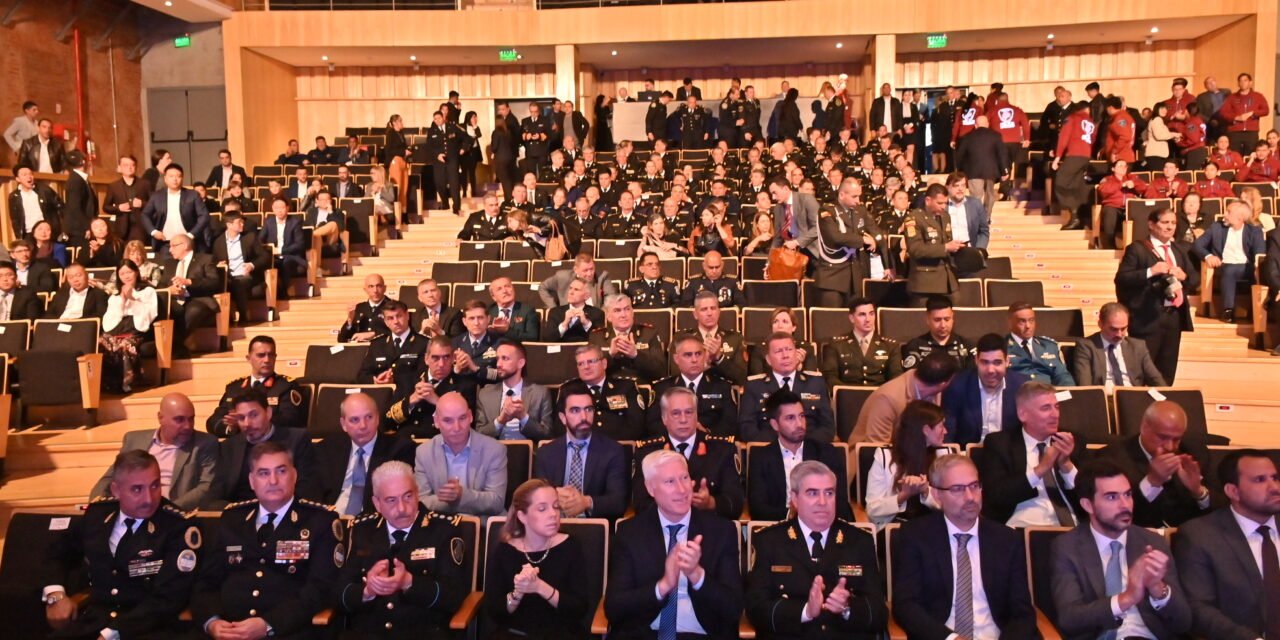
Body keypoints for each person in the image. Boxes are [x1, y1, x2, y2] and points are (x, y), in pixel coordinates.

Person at [43, 450, 201, 640]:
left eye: (155, 486)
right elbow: (57, 553)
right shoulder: (98, 515)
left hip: (149, 627)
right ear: (116, 490)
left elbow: (169, 598)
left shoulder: (178, 526)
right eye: (137, 489)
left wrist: (112, 634)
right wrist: (55, 596)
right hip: (95, 620)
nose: (149, 498)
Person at [190, 441, 340, 640]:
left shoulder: (320, 521)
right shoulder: (231, 520)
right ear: (252, 481)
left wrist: (269, 624)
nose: (273, 480)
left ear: (294, 475)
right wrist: (212, 621)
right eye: (263, 473)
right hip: (229, 632)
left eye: (281, 471)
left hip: (288, 631)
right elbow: (206, 583)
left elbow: (320, 589)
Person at [892, 454, 1038, 639]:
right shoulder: (916, 536)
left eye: (974, 486)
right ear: (937, 495)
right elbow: (906, 606)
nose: (970, 497)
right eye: (958, 489)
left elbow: (1022, 613)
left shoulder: (1007, 540)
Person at [605, 448, 743, 639]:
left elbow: (733, 609)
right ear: (650, 488)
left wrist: (697, 575)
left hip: (702, 633)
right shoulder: (630, 533)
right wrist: (663, 586)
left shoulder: (721, 532)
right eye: (670, 482)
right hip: (647, 633)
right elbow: (614, 608)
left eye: (684, 478)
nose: (681, 489)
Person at [1050, 460, 1193, 640]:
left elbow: (1183, 623)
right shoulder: (1067, 547)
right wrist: (1127, 598)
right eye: (1112, 497)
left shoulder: (1152, 542)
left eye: (1128, 495)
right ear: (1088, 505)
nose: (1125, 505)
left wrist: (1158, 588)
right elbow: (1069, 619)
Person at [746, 460, 885, 640]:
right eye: (812, 493)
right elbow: (755, 608)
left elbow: (879, 614)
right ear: (794, 499)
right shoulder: (770, 541)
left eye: (829, 493)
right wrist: (805, 612)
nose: (822, 502)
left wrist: (847, 609)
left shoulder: (860, 541)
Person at [336, 460, 468, 640]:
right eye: (391, 500)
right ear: (377, 503)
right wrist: (367, 591)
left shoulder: (444, 530)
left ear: (417, 493)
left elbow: (454, 597)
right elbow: (339, 594)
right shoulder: (362, 530)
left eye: (408, 496)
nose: (402, 508)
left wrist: (410, 583)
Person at [1171, 449, 1280, 640]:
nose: (1274, 487)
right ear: (1233, 491)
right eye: (1260, 480)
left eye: (1275, 478)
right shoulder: (1200, 535)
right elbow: (1198, 608)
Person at [484, 479, 592, 640]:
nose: (553, 514)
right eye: (542, 509)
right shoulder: (505, 550)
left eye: (556, 506)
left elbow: (578, 609)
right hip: (514, 634)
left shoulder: (571, 546)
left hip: (561, 634)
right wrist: (518, 593)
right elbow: (495, 612)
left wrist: (540, 587)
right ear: (522, 516)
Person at [1099, 400, 1220, 528]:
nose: (1169, 446)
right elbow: (1110, 513)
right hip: (1138, 536)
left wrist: (1198, 491)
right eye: (1163, 437)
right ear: (1144, 428)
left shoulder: (1195, 453)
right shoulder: (1112, 457)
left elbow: (1223, 509)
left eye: (1176, 439)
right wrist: (1152, 482)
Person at [980, 381, 1084, 528]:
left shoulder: (1071, 441)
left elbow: (1090, 497)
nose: (1055, 415)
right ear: (1023, 414)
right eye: (1045, 408)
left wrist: (1066, 465)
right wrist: (1041, 468)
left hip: (1073, 529)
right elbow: (996, 496)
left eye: (1056, 407)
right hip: (1022, 527)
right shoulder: (1000, 444)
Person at [89, 393, 220, 510]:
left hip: (174, 513)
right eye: (179, 419)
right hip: (135, 509)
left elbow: (206, 487)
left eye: (191, 419)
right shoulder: (133, 440)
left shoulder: (205, 443)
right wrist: (97, 505)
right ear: (161, 418)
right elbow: (110, 477)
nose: (188, 426)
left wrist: (168, 510)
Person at [1115, 208, 1198, 384]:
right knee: (1141, 371)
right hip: (1147, 317)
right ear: (1152, 225)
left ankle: (1163, 406)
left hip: (1174, 316)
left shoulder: (1179, 249)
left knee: (1167, 372)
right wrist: (1150, 271)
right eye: (1165, 222)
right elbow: (1122, 278)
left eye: (1173, 223)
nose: (1170, 227)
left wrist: (1184, 276)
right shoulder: (1137, 249)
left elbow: (1195, 279)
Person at [633, 387, 743, 520]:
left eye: (689, 412)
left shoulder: (722, 449)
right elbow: (640, 505)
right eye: (676, 413)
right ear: (664, 418)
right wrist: (674, 505)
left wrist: (710, 503)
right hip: (664, 530)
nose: (683, 419)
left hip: (709, 527)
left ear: (696, 415)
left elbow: (735, 504)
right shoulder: (647, 452)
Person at [746, 390, 850, 522]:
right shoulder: (761, 458)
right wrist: (792, 514)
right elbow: (758, 509)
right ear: (775, 424)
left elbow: (840, 503)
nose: (799, 424)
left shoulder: (827, 453)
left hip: (822, 526)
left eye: (801, 416)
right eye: (790, 418)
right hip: (779, 528)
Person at [532, 381, 630, 520]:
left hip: (594, 527)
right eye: (575, 410)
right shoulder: (546, 453)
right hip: (554, 524)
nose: (584, 417)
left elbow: (618, 502)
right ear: (563, 418)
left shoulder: (613, 451)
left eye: (588, 409)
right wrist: (552, 494)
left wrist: (586, 502)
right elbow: (536, 497)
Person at [309, 392, 415, 516]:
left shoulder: (399, 450)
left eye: (369, 417)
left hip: (375, 523)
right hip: (331, 520)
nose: (363, 426)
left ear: (377, 418)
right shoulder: (326, 449)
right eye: (355, 420)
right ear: (344, 424)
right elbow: (312, 494)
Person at [208, 389, 317, 508]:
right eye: (241, 418)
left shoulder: (297, 440)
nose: (247, 423)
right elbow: (213, 497)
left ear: (268, 413)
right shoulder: (229, 447)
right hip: (239, 515)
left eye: (253, 415)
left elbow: (307, 492)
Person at [412, 391, 508, 516]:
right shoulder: (424, 452)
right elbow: (420, 501)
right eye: (448, 420)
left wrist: (462, 495)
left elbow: (496, 502)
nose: (456, 428)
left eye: (462, 418)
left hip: (483, 524)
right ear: (436, 421)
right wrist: (453, 499)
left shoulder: (494, 449)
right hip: (441, 526)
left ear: (470, 416)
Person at [863, 400, 947, 530]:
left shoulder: (945, 456)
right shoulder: (885, 456)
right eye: (941, 426)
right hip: (897, 528)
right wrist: (904, 495)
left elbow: (954, 504)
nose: (945, 431)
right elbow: (872, 510)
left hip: (936, 527)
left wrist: (926, 491)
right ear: (926, 430)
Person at [739, 332, 834, 443]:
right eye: (778, 351)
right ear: (768, 359)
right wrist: (782, 445)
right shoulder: (754, 386)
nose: (785, 355)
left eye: (789, 349)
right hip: (769, 452)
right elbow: (746, 429)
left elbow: (828, 428)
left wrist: (800, 446)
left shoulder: (816, 384)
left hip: (809, 452)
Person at [206, 335, 308, 437]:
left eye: (271, 355)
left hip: (273, 444)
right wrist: (231, 428)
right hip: (240, 446)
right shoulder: (234, 388)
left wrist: (244, 423)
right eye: (261, 355)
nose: (267, 360)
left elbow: (290, 420)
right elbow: (213, 421)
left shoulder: (285, 386)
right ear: (249, 358)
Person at [850, 350, 958, 444]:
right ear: (943, 384)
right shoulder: (887, 398)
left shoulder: (935, 391)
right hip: (874, 460)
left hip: (914, 456)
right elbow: (877, 447)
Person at [942, 333, 1029, 447]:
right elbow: (948, 433)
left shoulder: (1022, 386)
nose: (990, 370)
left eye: (997, 362)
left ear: (1007, 361)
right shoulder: (957, 387)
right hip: (968, 457)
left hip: (1009, 456)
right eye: (985, 362)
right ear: (976, 360)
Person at [811, 178, 886, 307]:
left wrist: (876, 241)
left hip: (856, 277)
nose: (858, 200)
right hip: (833, 277)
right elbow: (836, 237)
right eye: (854, 196)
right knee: (833, 322)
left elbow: (876, 232)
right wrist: (863, 239)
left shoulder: (860, 211)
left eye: (859, 196)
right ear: (841, 195)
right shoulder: (827, 211)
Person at [647, 334, 738, 438]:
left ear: (704, 355)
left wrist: (705, 433)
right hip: (672, 446)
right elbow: (653, 425)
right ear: (676, 359)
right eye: (688, 355)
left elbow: (730, 424)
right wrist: (679, 434)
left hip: (712, 445)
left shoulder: (722, 387)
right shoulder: (662, 388)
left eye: (698, 354)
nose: (694, 360)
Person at [386, 337, 478, 438]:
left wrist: (438, 402)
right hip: (407, 445)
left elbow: (466, 428)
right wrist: (411, 400)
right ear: (426, 359)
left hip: (441, 446)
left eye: (446, 357)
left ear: (453, 359)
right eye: (435, 358)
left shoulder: (465, 385)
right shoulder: (408, 380)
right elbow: (386, 422)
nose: (441, 364)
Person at [1194, 199, 1265, 322]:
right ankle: (1228, 310)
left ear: (1240, 218)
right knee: (1230, 271)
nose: (1224, 215)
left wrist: (1257, 268)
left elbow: (1260, 253)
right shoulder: (1216, 227)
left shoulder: (1254, 231)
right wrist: (1208, 256)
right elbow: (1197, 245)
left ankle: (1255, 310)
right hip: (1224, 266)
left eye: (1228, 212)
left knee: (1259, 271)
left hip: (1248, 267)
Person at [474, 339, 554, 441]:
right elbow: (478, 435)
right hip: (494, 453)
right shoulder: (485, 394)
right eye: (498, 359)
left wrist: (523, 417)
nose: (498, 364)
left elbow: (547, 435)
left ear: (520, 363)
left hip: (529, 454)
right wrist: (500, 421)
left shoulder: (540, 393)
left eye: (505, 358)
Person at [1073, 301, 1167, 387]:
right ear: (1100, 324)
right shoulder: (1086, 346)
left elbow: (1156, 380)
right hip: (1103, 398)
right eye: (1113, 329)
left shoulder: (1138, 346)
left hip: (1133, 397)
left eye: (1123, 329)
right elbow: (1085, 386)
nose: (1119, 334)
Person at [157, 232, 220, 354]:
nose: (170, 250)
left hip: (197, 299)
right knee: (163, 308)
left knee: (193, 310)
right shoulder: (169, 263)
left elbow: (213, 283)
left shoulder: (205, 259)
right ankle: (173, 346)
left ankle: (173, 344)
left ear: (184, 245)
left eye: (173, 246)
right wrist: (169, 290)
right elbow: (161, 285)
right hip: (175, 300)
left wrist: (189, 282)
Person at [904, 184, 966, 305]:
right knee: (921, 320)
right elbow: (915, 249)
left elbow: (946, 240)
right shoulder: (914, 218)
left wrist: (956, 247)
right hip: (925, 280)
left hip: (947, 278)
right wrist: (945, 248)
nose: (944, 206)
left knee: (957, 311)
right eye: (940, 203)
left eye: (945, 203)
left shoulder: (945, 217)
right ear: (928, 200)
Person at [821, 297, 903, 387]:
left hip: (880, 396)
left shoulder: (890, 346)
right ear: (852, 318)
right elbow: (830, 376)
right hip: (848, 397)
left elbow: (896, 376)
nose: (868, 319)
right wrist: (845, 394)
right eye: (862, 315)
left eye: (871, 314)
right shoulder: (837, 345)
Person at [356, 300, 427, 399]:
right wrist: (376, 380)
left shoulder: (423, 343)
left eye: (399, 316)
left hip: (409, 398)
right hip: (379, 398)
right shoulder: (377, 344)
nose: (396, 321)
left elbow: (425, 376)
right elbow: (362, 375)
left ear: (407, 316)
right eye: (390, 318)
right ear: (385, 321)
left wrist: (393, 380)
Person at [588, 293, 666, 383]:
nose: (623, 315)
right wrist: (610, 355)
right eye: (617, 311)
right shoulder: (596, 337)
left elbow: (661, 371)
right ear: (608, 316)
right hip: (609, 389)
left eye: (627, 309)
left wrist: (636, 355)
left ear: (632, 312)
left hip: (640, 389)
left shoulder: (649, 333)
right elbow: (591, 372)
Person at [674, 291, 748, 385]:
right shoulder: (681, 339)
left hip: (722, 394)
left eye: (713, 308)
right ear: (695, 314)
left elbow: (741, 377)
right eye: (704, 309)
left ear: (719, 312)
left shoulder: (736, 338)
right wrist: (704, 364)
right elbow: (675, 374)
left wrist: (719, 357)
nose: (709, 313)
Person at [212, 211, 269, 325]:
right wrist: (219, 264)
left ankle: (243, 316)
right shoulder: (218, 242)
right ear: (229, 225)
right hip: (228, 277)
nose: (242, 225)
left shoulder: (250, 237)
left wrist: (251, 265)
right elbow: (213, 262)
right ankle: (223, 319)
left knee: (239, 282)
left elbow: (265, 257)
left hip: (245, 275)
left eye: (242, 222)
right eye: (239, 223)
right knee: (217, 284)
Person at [1005, 302, 1075, 386]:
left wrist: (1065, 396)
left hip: (1049, 396)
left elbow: (1063, 376)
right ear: (1010, 323)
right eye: (1022, 321)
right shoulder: (1002, 348)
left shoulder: (1049, 346)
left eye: (1031, 320)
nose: (1028, 326)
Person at [954, 115, 1008, 219]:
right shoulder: (996, 135)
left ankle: (977, 219)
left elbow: (959, 155)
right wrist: (1004, 171)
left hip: (973, 171)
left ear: (975, 125)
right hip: (991, 171)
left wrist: (959, 171)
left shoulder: (967, 137)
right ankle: (986, 218)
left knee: (975, 197)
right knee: (990, 195)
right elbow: (1002, 154)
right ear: (987, 124)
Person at [1055, 101, 1099, 230]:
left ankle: (1074, 211)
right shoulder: (1091, 122)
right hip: (1086, 155)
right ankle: (1079, 218)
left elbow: (1064, 137)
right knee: (1075, 184)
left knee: (1060, 181)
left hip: (1074, 154)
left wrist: (1058, 157)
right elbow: (1093, 139)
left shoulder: (1072, 118)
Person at [901, 297, 975, 370]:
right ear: (927, 319)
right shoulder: (915, 346)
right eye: (937, 320)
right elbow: (911, 377)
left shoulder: (967, 345)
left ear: (953, 317)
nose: (943, 325)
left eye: (947, 319)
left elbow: (973, 376)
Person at [261, 196, 307, 298]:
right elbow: (260, 240)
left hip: (292, 255)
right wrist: (269, 249)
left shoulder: (295, 222)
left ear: (287, 208)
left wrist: (281, 250)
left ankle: (284, 291)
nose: (280, 210)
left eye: (282, 207)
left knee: (286, 261)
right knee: (267, 262)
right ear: (273, 209)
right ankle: (272, 292)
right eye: (276, 208)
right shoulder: (269, 222)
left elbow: (300, 244)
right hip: (274, 256)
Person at [538, 253, 619, 308]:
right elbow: (543, 287)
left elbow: (611, 298)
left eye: (592, 269)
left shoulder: (603, 277)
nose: (589, 273)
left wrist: (601, 314)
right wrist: (554, 308)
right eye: (585, 270)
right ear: (576, 270)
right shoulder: (562, 277)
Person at [103, 155, 154, 243]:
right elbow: (106, 207)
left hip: (140, 227)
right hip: (122, 228)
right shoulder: (113, 186)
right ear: (119, 168)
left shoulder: (145, 184)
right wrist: (119, 208)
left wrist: (142, 204)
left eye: (132, 165)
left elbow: (154, 204)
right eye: (126, 165)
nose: (130, 168)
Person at [1218, 72, 1270, 155]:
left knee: (1251, 154)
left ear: (1250, 82)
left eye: (1245, 80)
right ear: (1238, 83)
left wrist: (1253, 113)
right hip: (1235, 131)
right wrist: (1236, 117)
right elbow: (1223, 112)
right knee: (1235, 155)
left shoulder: (1258, 96)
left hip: (1251, 131)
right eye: (1240, 81)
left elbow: (1266, 110)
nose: (1243, 83)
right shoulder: (1232, 97)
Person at [7, 164, 63, 239]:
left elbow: (60, 206)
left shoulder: (44, 190)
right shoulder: (14, 196)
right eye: (24, 175)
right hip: (28, 234)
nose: (29, 177)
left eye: (31, 174)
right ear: (17, 179)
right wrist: (19, 237)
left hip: (46, 233)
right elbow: (15, 220)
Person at [546, 277, 605, 342]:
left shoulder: (597, 313)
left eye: (576, 289)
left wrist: (586, 323)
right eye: (570, 288)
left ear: (586, 296)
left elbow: (599, 341)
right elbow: (547, 339)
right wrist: (564, 324)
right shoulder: (555, 312)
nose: (571, 292)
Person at [486, 276, 540, 344]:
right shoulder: (487, 312)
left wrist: (507, 330)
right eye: (499, 289)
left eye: (507, 286)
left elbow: (532, 337)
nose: (505, 291)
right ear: (493, 297)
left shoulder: (527, 311)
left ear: (513, 289)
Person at [337, 274, 391, 342]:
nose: (375, 290)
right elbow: (341, 339)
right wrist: (350, 321)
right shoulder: (359, 308)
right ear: (365, 290)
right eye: (371, 286)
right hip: (360, 350)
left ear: (384, 288)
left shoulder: (394, 307)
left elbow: (402, 333)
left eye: (379, 286)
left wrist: (374, 334)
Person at [62, 149, 96, 245]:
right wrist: (86, 226)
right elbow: (75, 207)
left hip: (81, 227)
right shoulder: (75, 181)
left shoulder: (79, 179)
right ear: (83, 162)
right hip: (79, 229)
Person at [1142, 102, 1181, 171]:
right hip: (1156, 154)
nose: (1164, 111)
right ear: (1157, 109)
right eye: (1162, 108)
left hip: (1156, 154)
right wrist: (1174, 134)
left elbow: (1144, 134)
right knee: (1157, 176)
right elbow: (1159, 136)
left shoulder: (1154, 120)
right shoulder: (1157, 119)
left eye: (1166, 109)